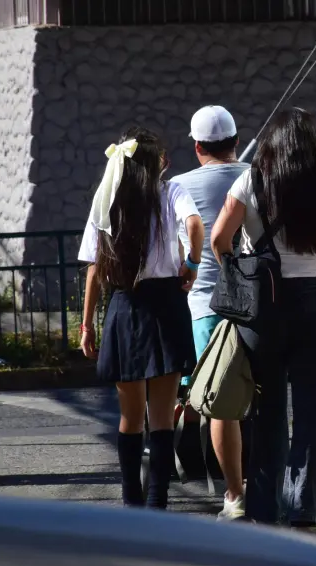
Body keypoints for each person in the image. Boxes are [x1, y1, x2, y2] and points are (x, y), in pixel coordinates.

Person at [211, 108, 316, 530]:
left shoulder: (251, 183)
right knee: (312, 411)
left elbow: (218, 239)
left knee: (268, 412)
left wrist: (240, 269)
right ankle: (305, 509)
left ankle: (265, 507)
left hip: (266, 305)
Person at [79, 127, 205, 509]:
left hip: (125, 308)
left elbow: (94, 268)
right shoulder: (170, 193)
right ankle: (157, 502)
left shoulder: (108, 202)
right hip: (166, 303)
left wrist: (86, 324)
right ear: (156, 163)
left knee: (130, 418)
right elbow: (196, 225)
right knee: (163, 417)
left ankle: (130, 502)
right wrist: (192, 264)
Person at [170, 105, 251, 520]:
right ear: (236, 142)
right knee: (261, 396)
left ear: (197, 146)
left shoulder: (177, 185)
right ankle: (262, 482)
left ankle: (232, 492)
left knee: (218, 400)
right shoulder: (257, 176)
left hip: (204, 305)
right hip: (258, 304)